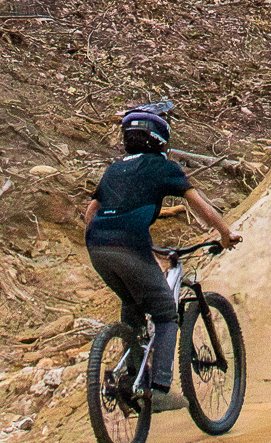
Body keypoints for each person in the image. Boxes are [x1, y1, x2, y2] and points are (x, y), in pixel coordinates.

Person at [84, 102, 238, 401]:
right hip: (129, 246)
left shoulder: (114, 170)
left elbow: (90, 214)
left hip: (97, 246)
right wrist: (226, 233)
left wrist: (109, 239)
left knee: (132, 302)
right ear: (160, 139)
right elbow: (203, 209)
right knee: (167, 313)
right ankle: (159, 389)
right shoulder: (165, 168)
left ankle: (130, 380)